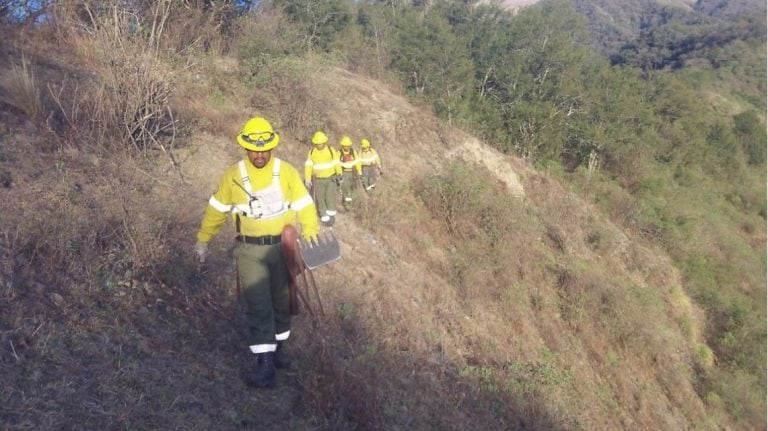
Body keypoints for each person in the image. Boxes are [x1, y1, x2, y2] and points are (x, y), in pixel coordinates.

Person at [194, 117, 319, 388]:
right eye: (254, 149)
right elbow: (216, 210)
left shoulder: (286, 172)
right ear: (246, 147)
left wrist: (310, 234)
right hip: (250, 250)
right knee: (259, 305)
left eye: (264, 149)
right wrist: (203, 240)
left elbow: (305, 205)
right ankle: (264, 365)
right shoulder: (233, 176)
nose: (259, 154)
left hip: (282, 249)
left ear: (271, 147)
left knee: (283, 303)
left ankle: (278, 352)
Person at [304, 131, 341, 226]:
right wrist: (307, 178)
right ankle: (324, 217)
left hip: (330, 178)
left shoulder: (331, 150)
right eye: (317, 144)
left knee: (329, 197)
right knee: (320, 198)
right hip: (318, 180)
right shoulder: (312, 152)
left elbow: (336, 162)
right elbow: (308, 166)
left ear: (324, 142)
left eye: (320, 144)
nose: (319, 146)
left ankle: (331, 216)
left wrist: (339, 173)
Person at [338, 136, 362, 205]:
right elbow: (337, 163)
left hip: (353, 172)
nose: (346, 147)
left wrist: (359, 172)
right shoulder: (339, 153)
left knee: (354, 186)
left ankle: (351, 200)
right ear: (342, 145)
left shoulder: (353, 152)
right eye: (345, 146)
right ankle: (347, 201)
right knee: (345, 186)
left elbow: (357, 162)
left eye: (348, 146)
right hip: (344, 172)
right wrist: (339, 173)